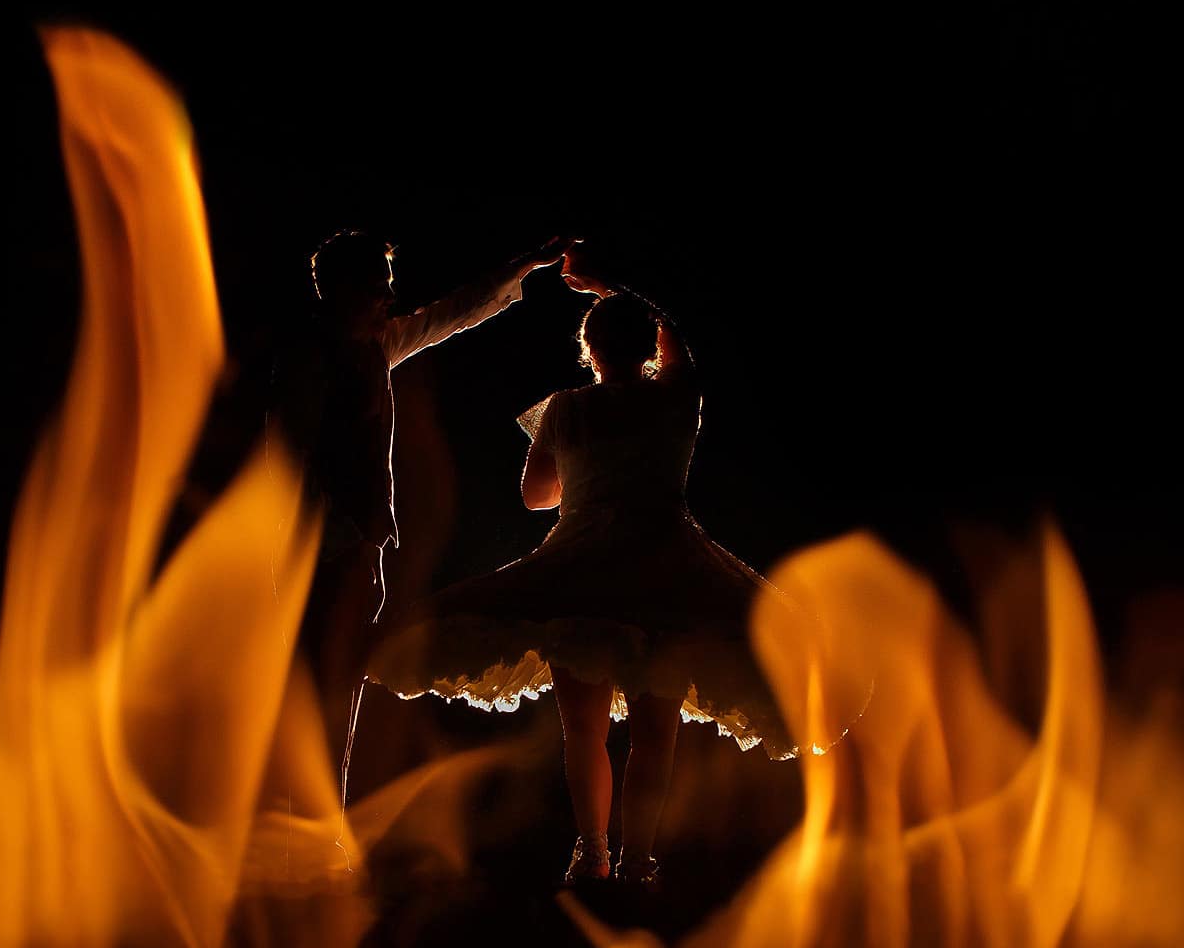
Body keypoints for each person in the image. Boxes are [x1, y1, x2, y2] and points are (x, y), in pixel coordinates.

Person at [366, 255, 805, 887]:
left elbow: (534, 495)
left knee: (584, 730)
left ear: (588, 349)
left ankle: (593, 848)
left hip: (584, 565)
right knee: (658, 730)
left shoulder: (566, 410)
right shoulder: (679, 398)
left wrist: (582, 478)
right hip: (671, 569)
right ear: (645, 342)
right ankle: (639, 858)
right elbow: (682, 340)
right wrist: (615, 288)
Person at [269, 230, 570, 796]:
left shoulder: (377, 348)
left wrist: (522, 265)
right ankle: (297, 819)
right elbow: (285, 458)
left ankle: (319, 821)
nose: (388, 298)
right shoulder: (306, 361)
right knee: (312, 686)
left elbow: (451, 314)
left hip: (359, 545)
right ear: (342, 291)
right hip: (314, 547)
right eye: (378, 288)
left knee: (343, 684)